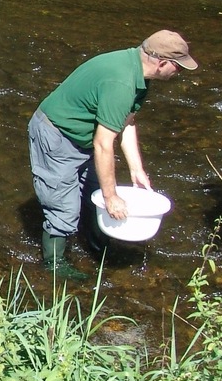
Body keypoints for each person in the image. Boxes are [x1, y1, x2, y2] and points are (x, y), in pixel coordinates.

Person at [28, 30, 196, 280]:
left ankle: (99, 250)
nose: (180, 72)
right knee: (64, 207)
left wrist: (136, 169)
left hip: (83, 136)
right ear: (161, 63)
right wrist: (112, 196)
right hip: (56, 134)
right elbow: (104, 144)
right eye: (178, 67)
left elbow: (127, 122)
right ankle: (53, 267)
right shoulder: (121, 82)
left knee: (93, 195)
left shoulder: (138, 71)